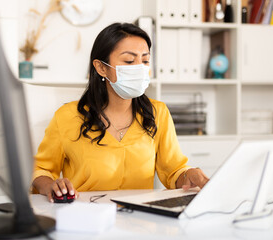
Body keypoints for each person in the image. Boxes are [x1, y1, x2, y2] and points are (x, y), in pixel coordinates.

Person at [32, 23, 209, 202]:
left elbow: (173, 171)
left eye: (145, 60)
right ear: (101, 67)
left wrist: (189, 175)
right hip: (86, 217)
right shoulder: (66, 116)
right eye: (129, 61)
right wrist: (51, 186)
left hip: (138, 219)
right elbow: (41, 169)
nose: (140, 68)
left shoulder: (158, 113)